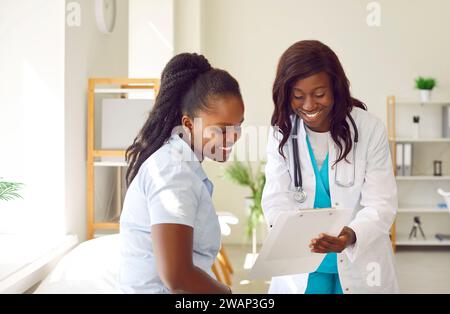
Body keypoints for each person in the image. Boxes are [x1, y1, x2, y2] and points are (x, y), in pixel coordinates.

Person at [262, 40, 399, 294]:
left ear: (335, 88)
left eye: (319, 94)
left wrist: (350, 235)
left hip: (360, 258)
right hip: (303, 264)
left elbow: (381, 203)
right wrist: (291, 232)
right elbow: (275, 199)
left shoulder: (369, 129)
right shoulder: (281, 133)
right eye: (298, 96)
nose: (309, 105)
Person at [119, 53, 245, 293]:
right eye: (222, 129)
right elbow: (177, 276)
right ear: (188, 125)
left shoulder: (181, 165)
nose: (234, 136)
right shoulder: (173, 172)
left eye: (238, 125)